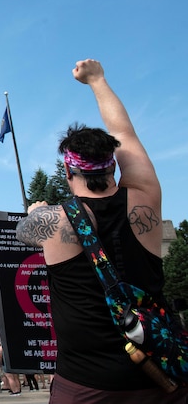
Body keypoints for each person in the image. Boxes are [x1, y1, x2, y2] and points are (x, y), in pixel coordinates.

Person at [15, 59, 188, 403]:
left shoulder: (53, 221)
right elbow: (124, 134)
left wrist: (37, 211)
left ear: (68, 170)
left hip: (86, 384)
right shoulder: (145, 199)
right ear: (113, 164)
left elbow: (23, 232)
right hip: (160, 374)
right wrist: (97, 80)